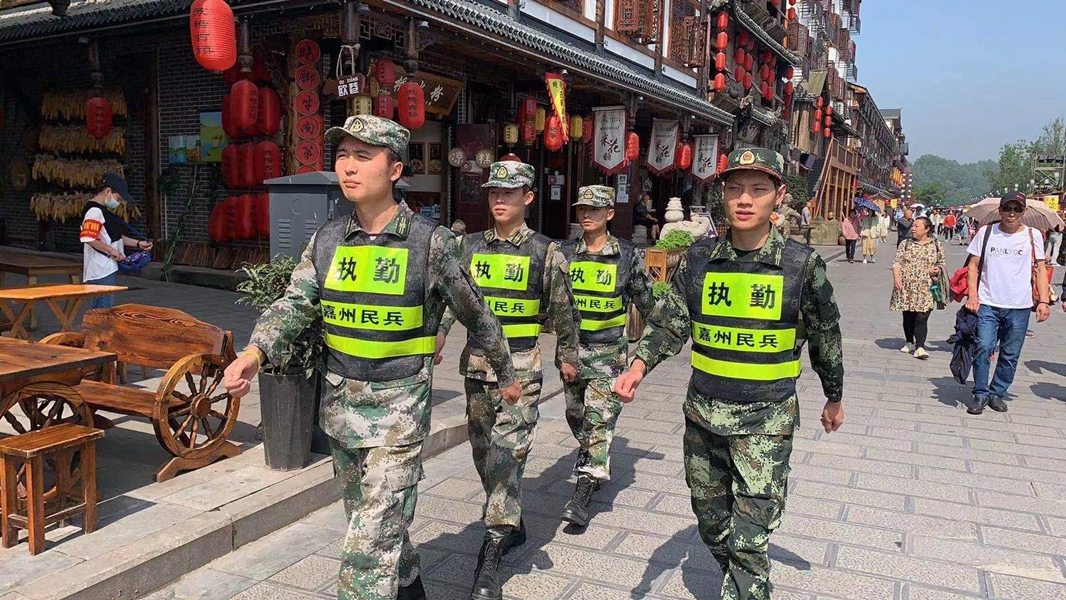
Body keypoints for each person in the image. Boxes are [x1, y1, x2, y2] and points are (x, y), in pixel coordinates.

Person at [223, 115, 520, 600]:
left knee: (366, 549)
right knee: (370, 521)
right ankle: (410, 587)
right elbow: (295, 303)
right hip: (341, 410)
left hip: (399, 413)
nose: (348, 167)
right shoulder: (327, 240)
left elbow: (477, 313)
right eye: (342, 155)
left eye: (363, 156)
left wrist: (506, 372)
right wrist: (254, 353)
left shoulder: (430, 243)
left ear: (395, 169)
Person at [615, 148, 844, 600]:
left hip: (766, 419)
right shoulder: (699, 259)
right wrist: (638, 366)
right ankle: (744, 579)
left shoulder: (800, 265)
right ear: (722, 194)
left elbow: (826, 336)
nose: (744, 199)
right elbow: (670, 321)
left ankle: (746, 583)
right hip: (704, 417)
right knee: (712, 523)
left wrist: (834, 396)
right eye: (735, 188)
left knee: (749, 538)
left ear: (779, 195)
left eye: (758, 189)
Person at [435, 161, 580, 600]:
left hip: (521, 370)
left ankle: (493, 549)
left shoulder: (545, 252)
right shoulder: (468, 246)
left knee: (508, 454)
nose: (500, 200)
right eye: (494, 192)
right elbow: (453, 298)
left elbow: (564, 309)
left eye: (509, 193)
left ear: (528, 198)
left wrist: (568, 356)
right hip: (477, 369)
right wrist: (439, 334)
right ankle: (511, 520)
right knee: (484, 452)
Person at [557, 185, 666, 528]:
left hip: (608, 356)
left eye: (594, 209)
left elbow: (650, 306)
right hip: (572, 355)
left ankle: (582, 492)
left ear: (609, 214)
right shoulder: (563, 254)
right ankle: (595, 455)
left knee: (598, 419)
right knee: (576, 415)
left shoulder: (627, 256)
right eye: (582, 209)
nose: (586, 215)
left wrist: (653, 343)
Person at [965, 192, 1050, 415]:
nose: (1012, 213)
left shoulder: (1033, 235)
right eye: (1007, 208)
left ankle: (997, 392)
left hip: (1019, 305)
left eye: (1017, 209)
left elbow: (1041, 269)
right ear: (1000, 210)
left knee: (1010, 353)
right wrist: (973, 295)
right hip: (988, 302)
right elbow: (973, 266)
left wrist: (1043, 301)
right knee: (984, 347)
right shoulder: (986, 232)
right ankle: (980, 393)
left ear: (1024, 212)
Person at [79, 173, 153, 309]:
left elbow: (112, 236)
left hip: (105, 268)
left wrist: (138, 243)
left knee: (102, 309)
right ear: (108, 191)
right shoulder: (94, 211)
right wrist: (113, 252)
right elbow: (88, 238)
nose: (118, 202)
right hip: (101, 269)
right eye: (118, 198)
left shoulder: (101, 210)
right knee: (102, 311)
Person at [891, 217, 945, 360]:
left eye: (917, 226)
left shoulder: (936, 245)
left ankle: (920, 346)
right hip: (907, 286)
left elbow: (942, 263)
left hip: (926, 287)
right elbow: (896, 262)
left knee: (922, 316)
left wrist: (937, 269)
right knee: (908, 315)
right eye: (913, 226)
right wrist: (897, 278)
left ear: (927, 229)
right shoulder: (905, 244)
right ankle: (909, 341)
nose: (913, 229)